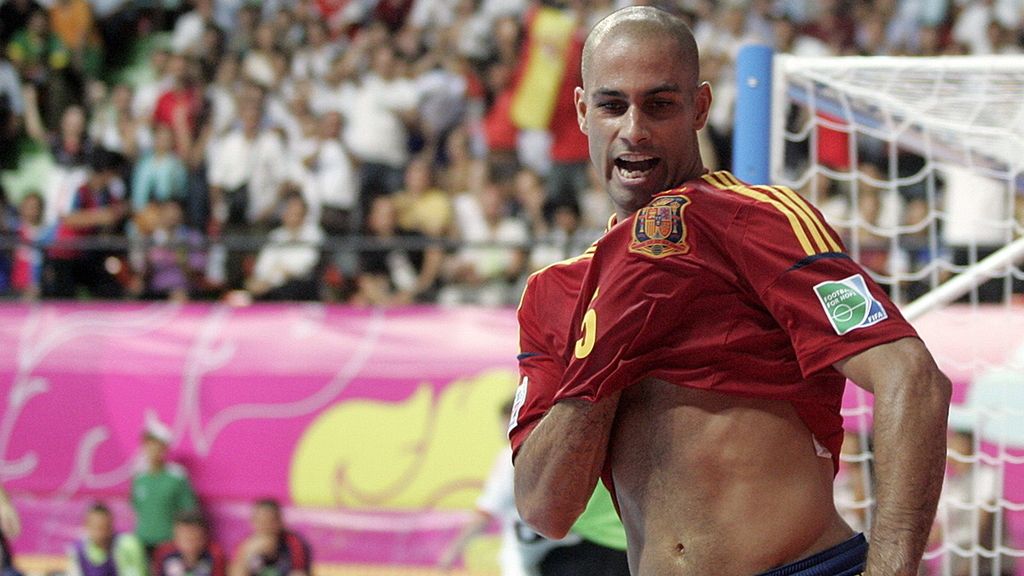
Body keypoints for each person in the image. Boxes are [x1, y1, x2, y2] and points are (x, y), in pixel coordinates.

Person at [511, 6, 951, 576]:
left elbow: (911, 378)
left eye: (661, 104)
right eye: (612, 105)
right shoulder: (553, 291)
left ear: (699, 107)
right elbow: (544, 509)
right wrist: (602, 365)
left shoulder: (756, 218)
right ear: (581, 110)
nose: (634, 128)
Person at [132, 417, 199, 557]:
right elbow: (136, 507)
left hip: (170, 543)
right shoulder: (139, 477)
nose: (153, 449)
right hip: (143, 541)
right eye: (149, 444)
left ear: (165, 448)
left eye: (158, 445)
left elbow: (189, 511)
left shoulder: (177, 477)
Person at [229, 499, 311, 576]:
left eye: (270, 521)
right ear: (253, 522)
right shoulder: (246, 544)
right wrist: (248, 554)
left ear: (280, 521)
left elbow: (299, 573)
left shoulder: (293, 543)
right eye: (261, 522)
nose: (266, 527)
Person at [67, 502, 147, 576]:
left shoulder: (127, 546)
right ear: (87, 526)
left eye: (103, 527)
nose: (100, 534)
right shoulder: (77, 550)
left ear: (111, 525)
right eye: (95, 528)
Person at [151, 509, 226, 576]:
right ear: (175, 537)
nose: (189, 544)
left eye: (194, 538)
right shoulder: (164, 553)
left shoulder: (214, 555)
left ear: (204, 538)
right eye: (184, 538)